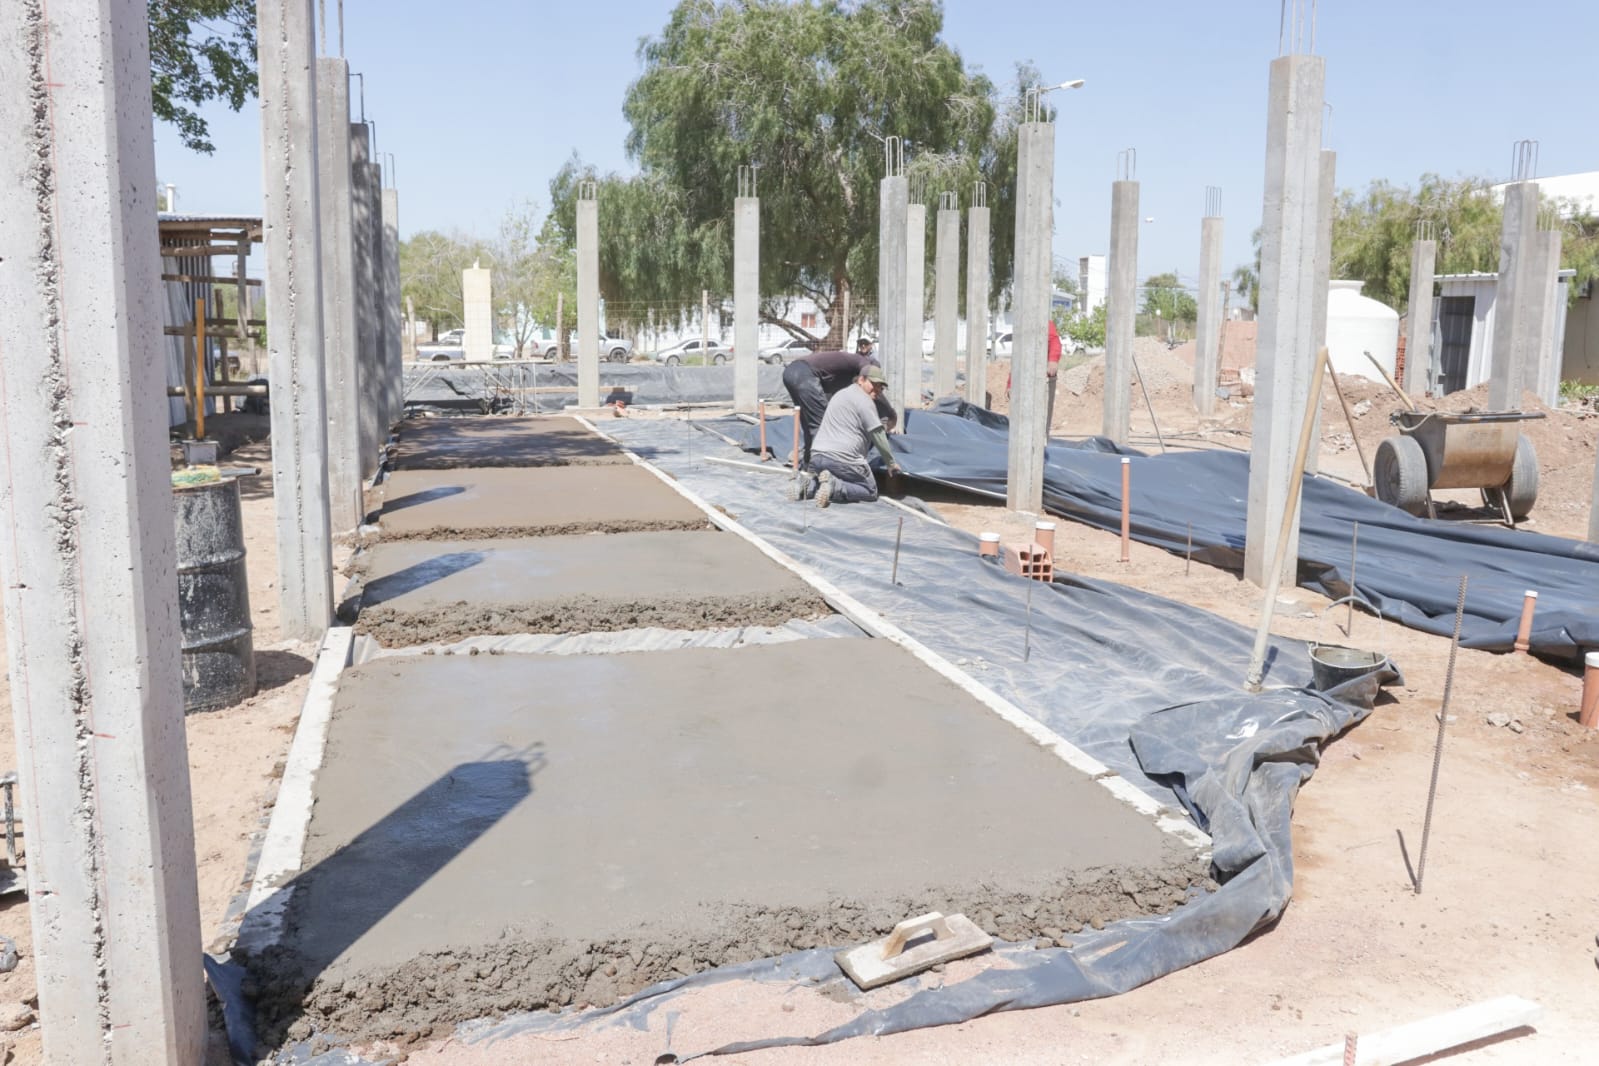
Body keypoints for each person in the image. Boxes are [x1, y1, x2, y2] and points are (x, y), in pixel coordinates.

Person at [788, 365, 902, 508]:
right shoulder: (865, 401)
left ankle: (807, 485)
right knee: (870, 490)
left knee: (826, 479)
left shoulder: (841, 394)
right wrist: (891, 463)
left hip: (817, 456)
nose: (878, 390)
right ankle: (835, 487)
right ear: (861, 379)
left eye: (881, 388)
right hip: (843, 459)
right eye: (874, 385)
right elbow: (877, 434)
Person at [781, 339, 890, 468]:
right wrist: (891, 414)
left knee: (809, 425)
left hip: (791, 372)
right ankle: (821, 469)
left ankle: (808, 463)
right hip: (804, 374)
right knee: (821, 426)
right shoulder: (863, 362)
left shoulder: (843, 373)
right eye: (875, 383)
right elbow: (869, 384)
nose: (876, 388)